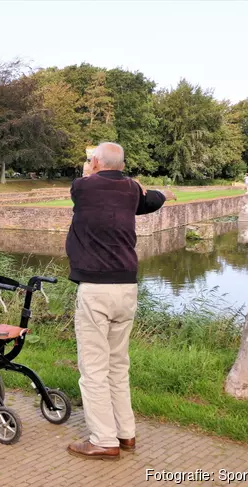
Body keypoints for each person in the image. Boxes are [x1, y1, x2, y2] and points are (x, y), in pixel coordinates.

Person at [65, 142, 176, 460]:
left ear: (96, 162)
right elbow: (152, 198)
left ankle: (103, 439)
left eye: (91, 160)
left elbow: (84, 182)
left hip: (96, 289)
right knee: (118, 365)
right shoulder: (131, 191)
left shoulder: (82, 187)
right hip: (127, 287)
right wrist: (157, 190)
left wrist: (89, 168)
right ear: (123, 165)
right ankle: (126, 434)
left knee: (94, 370)